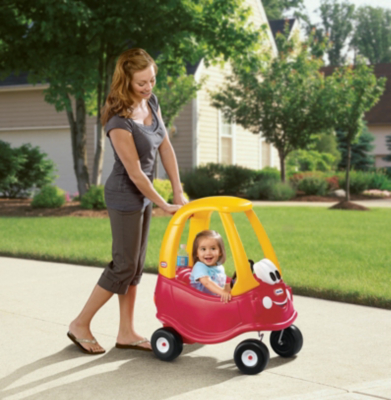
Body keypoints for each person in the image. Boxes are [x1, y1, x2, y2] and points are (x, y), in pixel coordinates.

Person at [67, 48, 187, 355]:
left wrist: (177, 191)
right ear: (126, 81)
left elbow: (166, 147)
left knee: (134, 269)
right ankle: (80, 323)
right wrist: (163, 203)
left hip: (144, 197)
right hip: (125, 194)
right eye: (141, 83)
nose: (149, 87)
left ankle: (126, 332)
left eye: (152, 80)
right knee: (123, 266)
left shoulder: (152, 102)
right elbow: (135, 173)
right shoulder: (118, 119)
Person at [190, 230, 231, 303]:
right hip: (200, 301)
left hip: (213, 301)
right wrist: (222, 292)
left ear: (220, 252)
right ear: (197, 253)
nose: (208, 252)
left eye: (213, 248)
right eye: (203, 249)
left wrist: (231, 287)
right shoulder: (199, 266)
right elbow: (207, 282)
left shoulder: (220, 267)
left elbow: (220, 284)